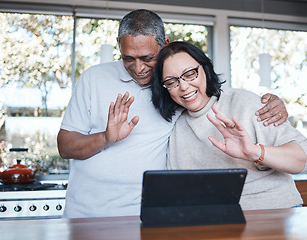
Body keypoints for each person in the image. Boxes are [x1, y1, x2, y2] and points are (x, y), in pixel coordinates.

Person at [57, 9, 289, 218]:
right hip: (84, 213)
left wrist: (272, 102)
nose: (138, 68)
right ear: (119, 44)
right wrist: (106, 137)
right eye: (129, 58)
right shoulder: (93, 78)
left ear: (164, 43)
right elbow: (65, 147)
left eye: (148, 58)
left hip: (144, 214)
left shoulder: (174, 89)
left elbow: (212, 95)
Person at [151, 41, 307, 210]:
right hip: (215, 221)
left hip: (274, 212)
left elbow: (306, 161)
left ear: (205, 69)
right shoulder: (176, 127)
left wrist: (254, 151)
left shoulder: (245, 103)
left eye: (190, 74)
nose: (183, 87)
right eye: (171, 82)